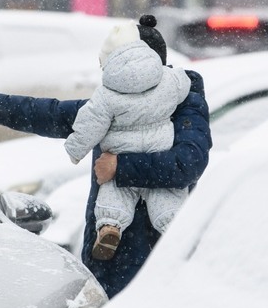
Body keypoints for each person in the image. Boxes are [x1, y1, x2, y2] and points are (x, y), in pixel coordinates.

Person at [0, 14, 212, 298]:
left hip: (162, 259)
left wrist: (120, 167)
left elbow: (188, 163)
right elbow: (47, 112)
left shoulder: (184, 102)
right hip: (110, 262)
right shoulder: (113, 103)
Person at [64, 18, 191, 261]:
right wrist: (190, 80)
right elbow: (186, 84)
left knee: (114, 194)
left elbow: (89, 124)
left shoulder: (106, 94)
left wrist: (75, 149)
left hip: (120, 154)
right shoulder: (167, 79)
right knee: (167, 197)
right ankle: (175, 230)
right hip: (159, 150)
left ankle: (110, 227)